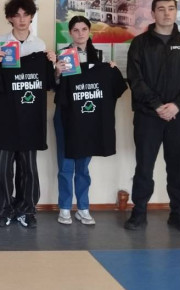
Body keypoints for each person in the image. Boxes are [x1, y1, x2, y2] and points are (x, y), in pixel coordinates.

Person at [125, 0, 180, 233]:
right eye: (161, 9)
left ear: (176, 11)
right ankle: (139, 213)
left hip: (178, 116)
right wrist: (157, 105)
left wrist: (176, 105)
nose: (166, 13)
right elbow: (135, 79)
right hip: (148, 116)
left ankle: (178, 215)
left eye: (171, 8)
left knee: (177, 167)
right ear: (153, 13)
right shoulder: (140, 44)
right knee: (144, 166)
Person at [0, 0, 55, 228]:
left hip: (30, 114)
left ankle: (27, 209)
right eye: (16, 15)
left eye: (25, 14)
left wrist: (51, 64)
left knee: (28, 166)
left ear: (31, 17)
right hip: (5, 113)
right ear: (9, 18)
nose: (21, 19)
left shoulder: (40, 46)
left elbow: (48, 83)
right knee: (3, 166)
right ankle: (3, 209)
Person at [54, 16, 125, 226]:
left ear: (89, 31)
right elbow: (54, 88)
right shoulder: (63, 56)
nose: (80, 34)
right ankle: (64, 207)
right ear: (70, 33)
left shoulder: (100, 56)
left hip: (89, 118)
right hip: (66, 116)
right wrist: (57, 72)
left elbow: (113, 86)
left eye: (84, 29)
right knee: (66, 165)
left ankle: (83, 207)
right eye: (75, 30)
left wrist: (112, 70)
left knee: (83, 167)